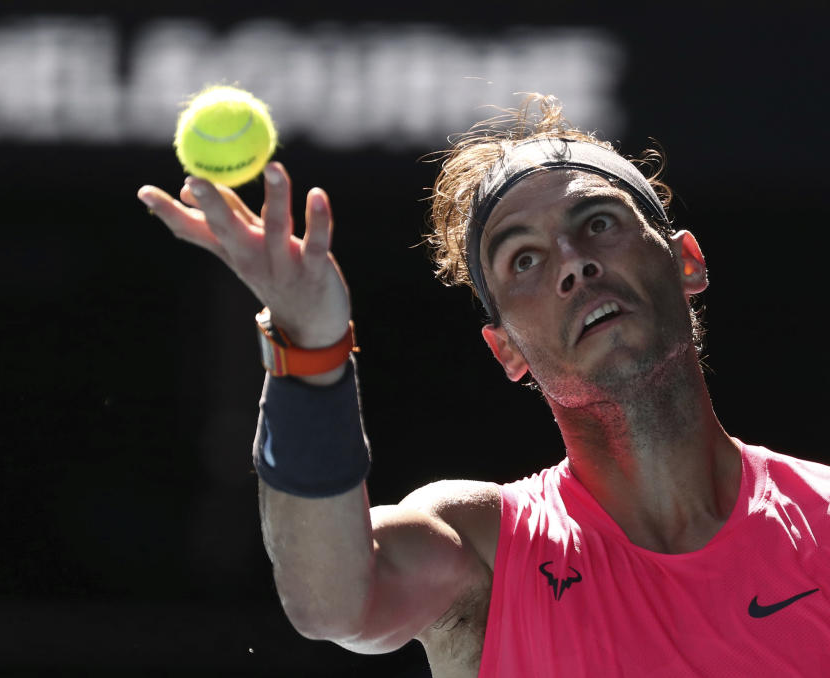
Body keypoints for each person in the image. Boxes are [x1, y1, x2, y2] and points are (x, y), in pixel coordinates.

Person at [136, 94, 830, 677]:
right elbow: (330, 602)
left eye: (598, 223)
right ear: (507, 352)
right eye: (523, 259)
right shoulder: (485, 552)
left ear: (687, 264)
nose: (574, 265)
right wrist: (310, 345)